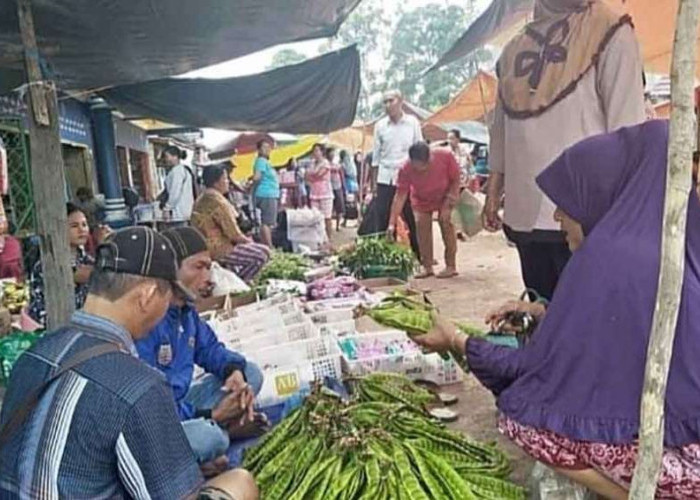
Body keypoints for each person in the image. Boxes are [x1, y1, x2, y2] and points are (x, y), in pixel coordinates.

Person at [415, 121, 700, 499]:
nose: (557, 218)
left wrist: (456, 339)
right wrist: (544, 312)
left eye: (567, 202)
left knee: (527, 417)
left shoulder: (609, 258)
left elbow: (535, 371)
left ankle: (643, 494)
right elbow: (634, 328)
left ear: (601, 194)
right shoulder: (673, 238)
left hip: (685, 461)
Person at [0, 226, 258, 499]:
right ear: (146, 296)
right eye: (167, 294)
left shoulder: (34, 354)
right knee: (239, 482)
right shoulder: (138, 384)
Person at [483, 0, 646, 301]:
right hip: (524, 212)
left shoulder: (612, 31)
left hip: (583, 221)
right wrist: (493, 189)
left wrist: (621, 215)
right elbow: (501, 127)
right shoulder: (513, 49)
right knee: (540, 315)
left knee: (586, 324)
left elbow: (629, 131)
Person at [136, 227, 265, 465]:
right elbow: (149, 410)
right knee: (210, 437)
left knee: (251, 373)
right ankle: (225, 433)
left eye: (209, 267)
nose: (209, 278)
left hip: (183, 407)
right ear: (171, 268)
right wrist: (211, 415)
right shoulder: (148, 320)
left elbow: (210, 349)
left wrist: (232, 371)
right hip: (157, 425)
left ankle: (217, 439)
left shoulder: (186, 313)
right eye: (199, 267)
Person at [388, 142, 460, 279]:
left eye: (424, 166)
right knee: (421, 226)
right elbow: (400, 196)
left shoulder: (445, 156)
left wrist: (449, 203)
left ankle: (451, 265)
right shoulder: (405, 168)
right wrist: (392, 223)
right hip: (421, 200)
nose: (420, 170)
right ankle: (427, 266)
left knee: (446, 222)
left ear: (430, 158)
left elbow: (456, 180)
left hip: (445, 196)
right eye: (417, 166)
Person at [192, 166, 270, 283]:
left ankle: (236, 280)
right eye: (225, 179)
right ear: (216, 182)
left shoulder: (203, 197)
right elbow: (234, 234)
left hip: (204, 246)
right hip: (219, 249)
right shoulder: (217, 200)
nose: (228, 182)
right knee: (263, 254)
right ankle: (240, 282)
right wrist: (251, 243)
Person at [372, 90, 423, 259]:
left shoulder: (413, 123)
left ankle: (420, 255)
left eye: (390, 100)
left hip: (408, 177)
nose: (387, 105)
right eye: (384, 102)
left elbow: (419, 151)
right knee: (384, 219)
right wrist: (373, 185)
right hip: (385, 177)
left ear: (401, 101)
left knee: (412, 217)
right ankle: (386, 256)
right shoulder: (379, 126)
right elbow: (376, 158)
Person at [28, 203, 95, 326]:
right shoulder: (47, 264)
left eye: (84, 224)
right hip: (51, 324)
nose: (82, 230)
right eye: (74, 226)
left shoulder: (86, 259)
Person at [252, 139, 280, 247]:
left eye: (268, 147)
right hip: (266, 194)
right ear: (259, 150)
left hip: (267, 193)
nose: (267, 149)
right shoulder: (261, 161)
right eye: (264, 147)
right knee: (267, 223)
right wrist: (251, 185)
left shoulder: (263, 162)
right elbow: (257, 177)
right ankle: (269, 246)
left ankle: (267, 246)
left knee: (266, 222)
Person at [161, 145, 196, 226]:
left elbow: (175, 192)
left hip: (178, 213)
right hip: (186, 211)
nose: (166, 160)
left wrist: (167, 208)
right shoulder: (184, 170)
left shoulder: (177, 172)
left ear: (175, 157)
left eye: (167, 156)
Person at [306, 143, 334, 239]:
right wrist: (312, 176)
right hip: (314, 193)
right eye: (314, 151)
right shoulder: (312, 163)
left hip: (325, 193)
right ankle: (318, 239)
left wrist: (312, 176)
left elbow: (318, 175)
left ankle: (329, 239)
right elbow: (307, 176)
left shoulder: (325, 163)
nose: (316, 153)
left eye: (317, 150)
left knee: (327, 217)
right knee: (315, 218)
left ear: (322, 152)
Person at [327, 147, 346, 232]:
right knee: (329, 208)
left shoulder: (337, 165)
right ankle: (329, 226)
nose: (332, 155)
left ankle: (338, 226)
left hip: (337, 187)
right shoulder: (325, 164)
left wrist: (344, 187)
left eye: (333, 153)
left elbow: (342, 176)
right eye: (331, 153)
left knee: (339, 207)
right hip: (328, 188)